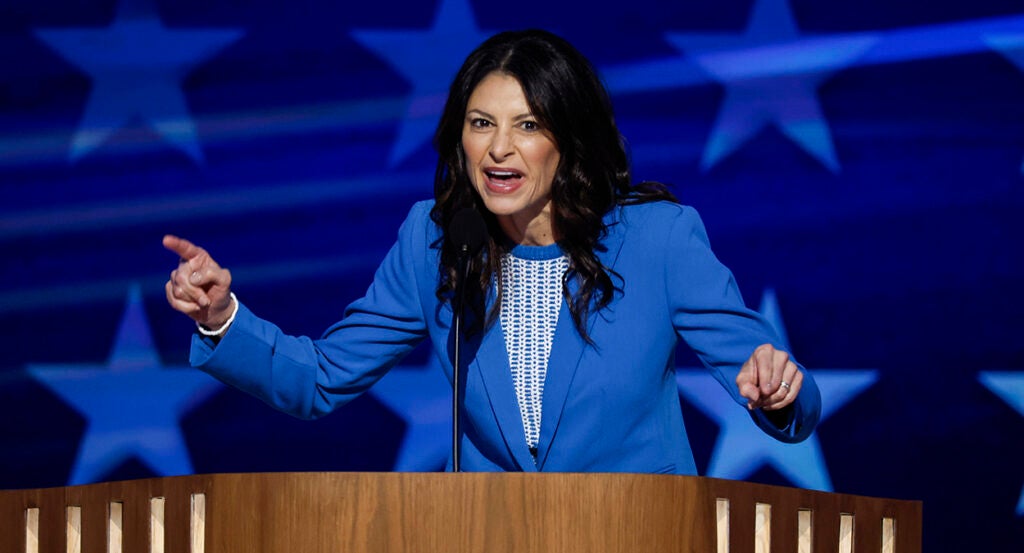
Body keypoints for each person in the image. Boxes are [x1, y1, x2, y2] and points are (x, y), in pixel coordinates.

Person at [164, 29, 820, 474]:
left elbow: (789, 397)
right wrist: (220, 316)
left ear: (569, 140)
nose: (499, 148)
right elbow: (319, 377)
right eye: (482, 124)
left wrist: (779, 392)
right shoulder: (435, 240)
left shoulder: (658, 239)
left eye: (527, 125)